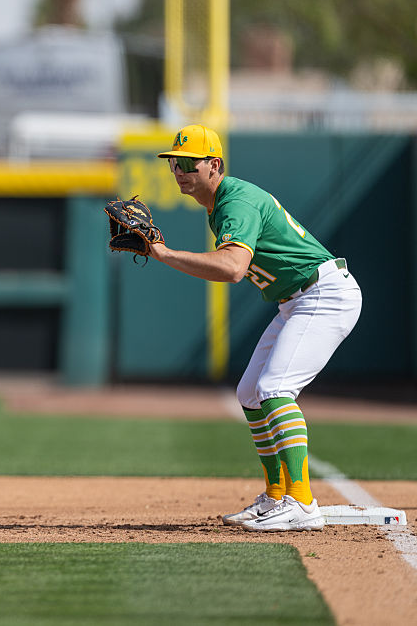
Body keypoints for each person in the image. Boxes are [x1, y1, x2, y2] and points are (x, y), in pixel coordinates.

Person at [152, 124, 361, 532]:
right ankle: (276, 496)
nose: (178, 170)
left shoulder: (236, 201)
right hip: (296, 300)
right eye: (173, 163)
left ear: (214, 165)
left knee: (275, 389)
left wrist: (164, 254)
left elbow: (232, 269)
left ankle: (302, 503)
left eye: (188, 163)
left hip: (323, 294)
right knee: (249, 393)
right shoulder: (221, 205)